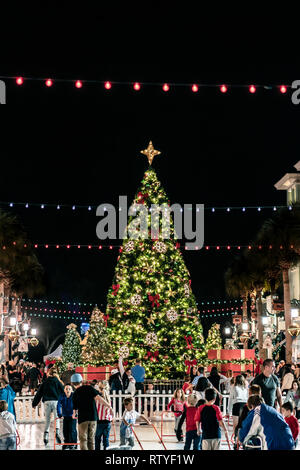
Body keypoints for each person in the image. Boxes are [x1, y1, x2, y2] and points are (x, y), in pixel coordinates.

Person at [71, 373, 112, 450]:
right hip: (93, 417)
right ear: (81, 381)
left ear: (72, 383)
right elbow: (98, 398)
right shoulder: (89, 388)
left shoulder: (75, 393)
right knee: (91, 439)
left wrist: (74, 415)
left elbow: (75, 408)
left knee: (83, 439)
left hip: (83, 419)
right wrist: (108, 405)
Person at [32, 367, 64, 445]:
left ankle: (46, 436)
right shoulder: (58, 382)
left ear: (48, 373)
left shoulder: (45, 382)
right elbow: (63, 392)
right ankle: (57, 433)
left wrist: (34, 403)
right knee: (57, 418)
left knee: (47, 419)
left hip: (47, 402)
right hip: (56, 402)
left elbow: (39, 393)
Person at [57, 383, 77, 450]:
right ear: (64, 390)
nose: (68, 390)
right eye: (66, 389)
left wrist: (75, 413)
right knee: (65, 430)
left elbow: (77, 405)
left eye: (69, 389)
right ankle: (66, 443)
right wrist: (59, 414)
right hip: (65, 416)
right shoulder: (62, 396)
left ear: (71, 390)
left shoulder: (74, 396)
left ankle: (73, 443)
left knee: (72, 430)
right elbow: (59, 405)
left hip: (73, 416)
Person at [95, 380, 114, 450]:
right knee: (106, 439)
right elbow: (111, 411)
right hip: (107, 421)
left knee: (97, 439)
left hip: (99, 421)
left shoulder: (97, 398)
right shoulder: (108, 398)